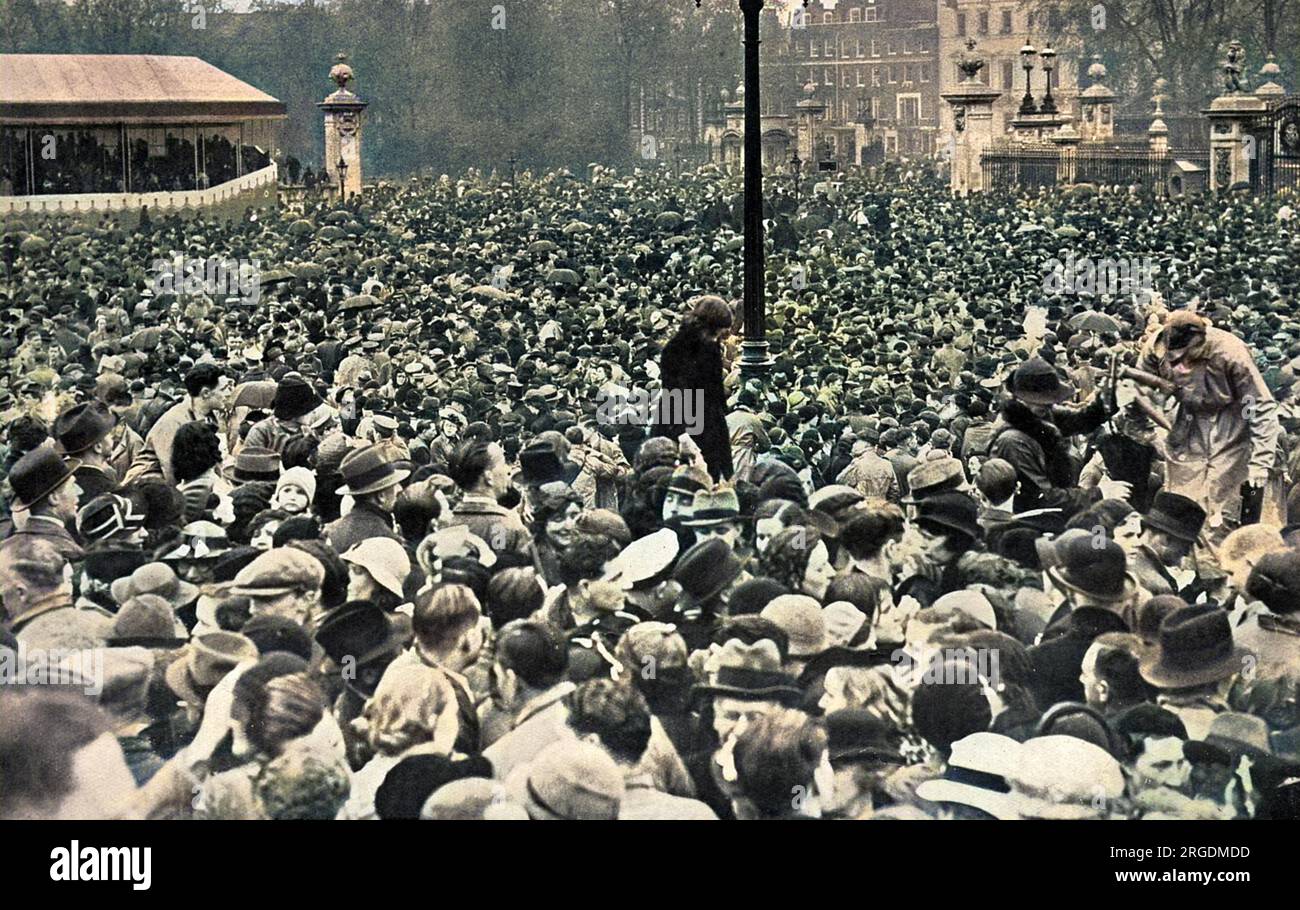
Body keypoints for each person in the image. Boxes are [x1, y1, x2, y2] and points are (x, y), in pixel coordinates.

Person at [1139, 310, 1282, 539]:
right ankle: (1181, 562)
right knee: (1180, 501)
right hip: (1186, 420)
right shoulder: (1154, 350)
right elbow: (1138, 393)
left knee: (1219, 507)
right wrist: (1147, 431)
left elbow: (1259, 406)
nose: (1181, 368)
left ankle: (1213, 566)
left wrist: (1260, 461)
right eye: (1175, 360)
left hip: (1231, 419)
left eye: (1188, 358)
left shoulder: (1230, 352)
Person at [653, 295, 734, 481]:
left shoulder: (710, 346)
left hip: (708, 421)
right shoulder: (675, 349)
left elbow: (715, 391)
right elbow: (672, 394)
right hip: (682, 424)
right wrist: (682, 435)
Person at [125, 363, 232, 485]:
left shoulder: (209, 417)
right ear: (206, 393)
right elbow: (169, 468)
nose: (228, 393)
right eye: (223, 389)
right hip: (149, 484)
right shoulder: (174, 420)